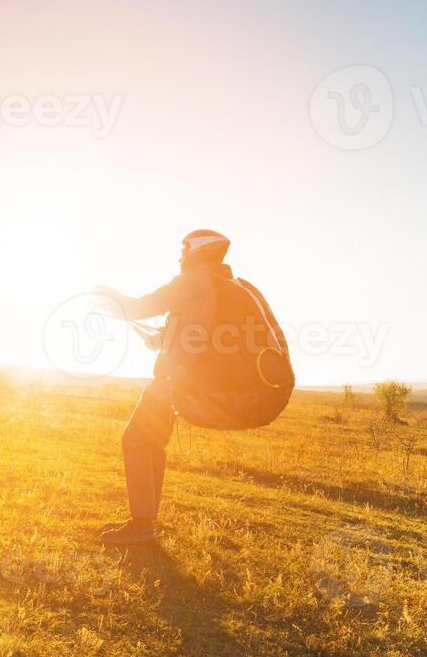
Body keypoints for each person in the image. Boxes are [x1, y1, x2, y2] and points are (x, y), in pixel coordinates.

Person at [95, 230, 293, 552]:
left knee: (135, 440)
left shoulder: (191, 282)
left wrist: (105, 294)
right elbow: (201, 335)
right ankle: (144, 523)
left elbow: (137, 306)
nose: (179, 257)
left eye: (183, 250)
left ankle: (142, 526)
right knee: (150, 443)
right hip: (253, 392)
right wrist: (161, 340)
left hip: (179, 386)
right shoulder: (233, 287)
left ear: (195, 253)